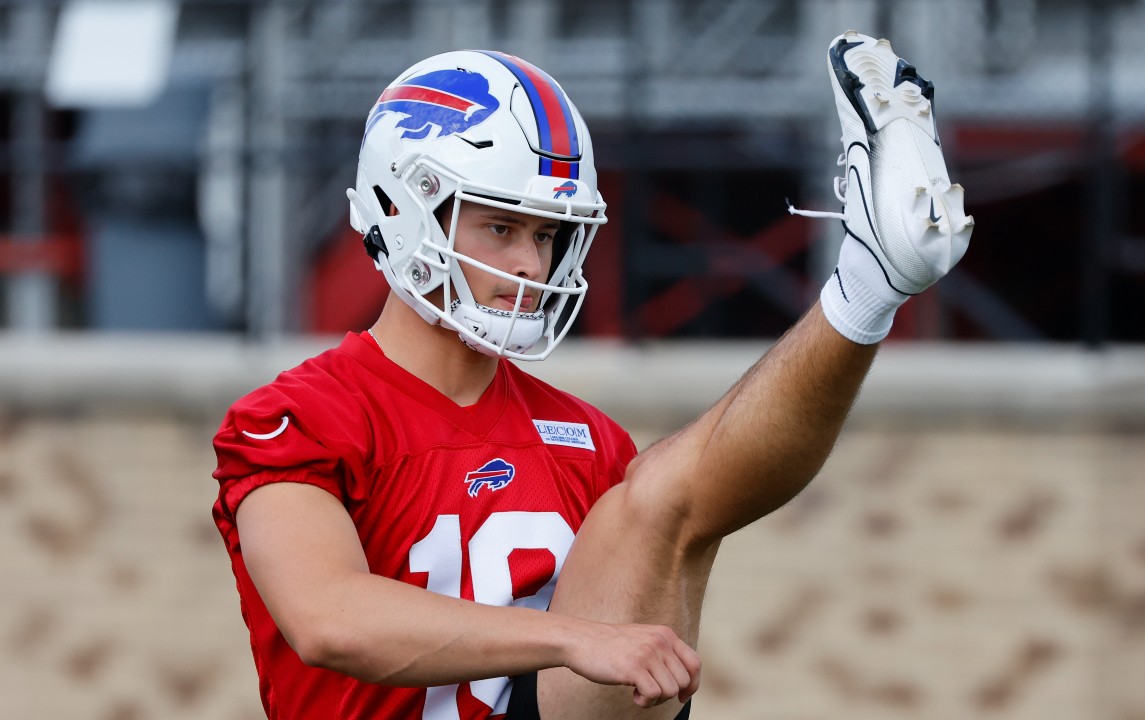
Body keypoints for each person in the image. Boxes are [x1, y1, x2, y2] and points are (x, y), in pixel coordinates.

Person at [212, 31, 971, 720]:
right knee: (662, 495)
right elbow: (328, 621)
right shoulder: (296, 416)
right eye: (501, 227)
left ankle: (868, 290)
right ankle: (864, 288)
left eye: (546, 235)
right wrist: (571, 641)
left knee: (668, 498)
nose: (529, 265)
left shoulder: (586, 439)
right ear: (401, 205)